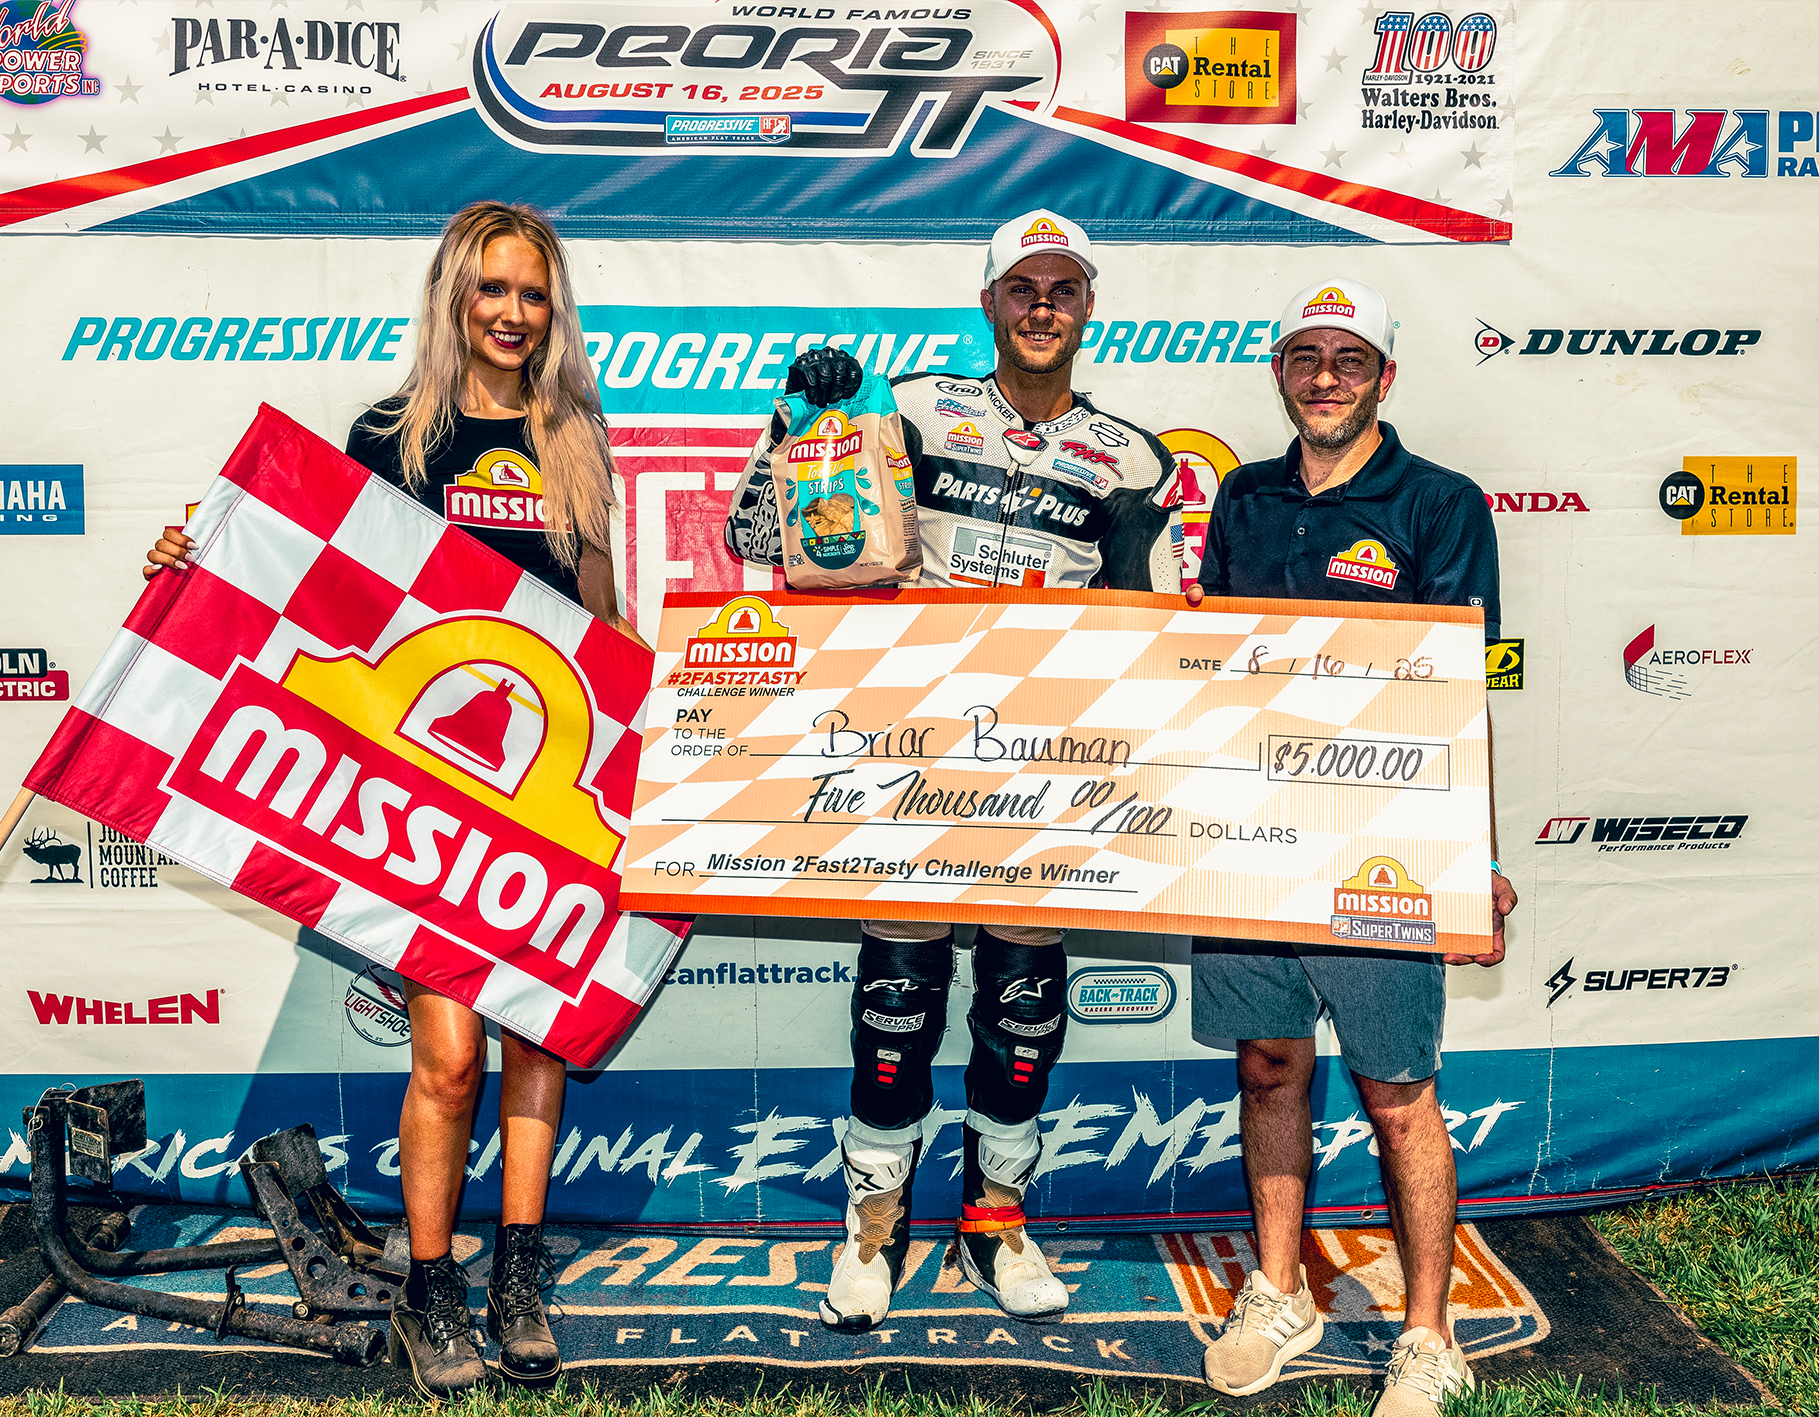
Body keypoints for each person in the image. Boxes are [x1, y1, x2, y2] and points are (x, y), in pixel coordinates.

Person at [146, 201, 646, 1400]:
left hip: (542, 792)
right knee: (450, 1052)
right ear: (453, 296)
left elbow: (602, 617)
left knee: (538, 1036)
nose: (514, 314)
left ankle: (516, 1278)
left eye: (533, 293)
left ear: (552, 306)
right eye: (492, 290)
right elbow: (319, 597)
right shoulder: (390, 434)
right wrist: (198, 568)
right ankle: (434, 1286)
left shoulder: (574, 434)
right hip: (423, 793)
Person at [724, 210, 1181, 1330]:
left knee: (1022, 1007)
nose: (1040, 307)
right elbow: (759, 534)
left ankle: (997, 1224)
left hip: (1046, 761)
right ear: (988, 304)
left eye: (1061, 289)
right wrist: (802, 420)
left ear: (1086, 307)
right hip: (909, 748)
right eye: (1021, 288)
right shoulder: (917, 408)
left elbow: (1151, 625)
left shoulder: (1132, 455)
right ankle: (872, 1228)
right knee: (896, 1002)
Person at [1185, 278, 1519, 1416]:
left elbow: (1461, 697)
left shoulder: (1438, 502)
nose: (1324, 376)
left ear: (1384, 374)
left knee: (1395, 1093)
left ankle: (1427, 1334)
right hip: (1248, 837)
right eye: (1304, 356)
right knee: (1268, 1065)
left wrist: (1469, 861)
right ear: (1281, 370)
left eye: (1347, 358)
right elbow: (1207, 677)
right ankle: (1278, 1291)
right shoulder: (1242, 495)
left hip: (1383, 844)